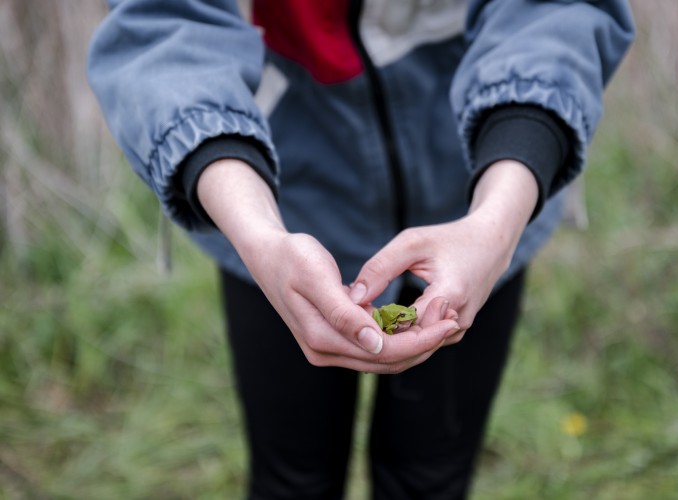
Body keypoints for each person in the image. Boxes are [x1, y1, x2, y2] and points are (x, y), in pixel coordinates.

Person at [88, 1, 634, 498]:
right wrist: (258, 234)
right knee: (290, 479)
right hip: (275, 194)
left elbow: (555, 12)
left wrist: (495, 222)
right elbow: (162, 21)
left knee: (433, 475)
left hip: (481, 187)